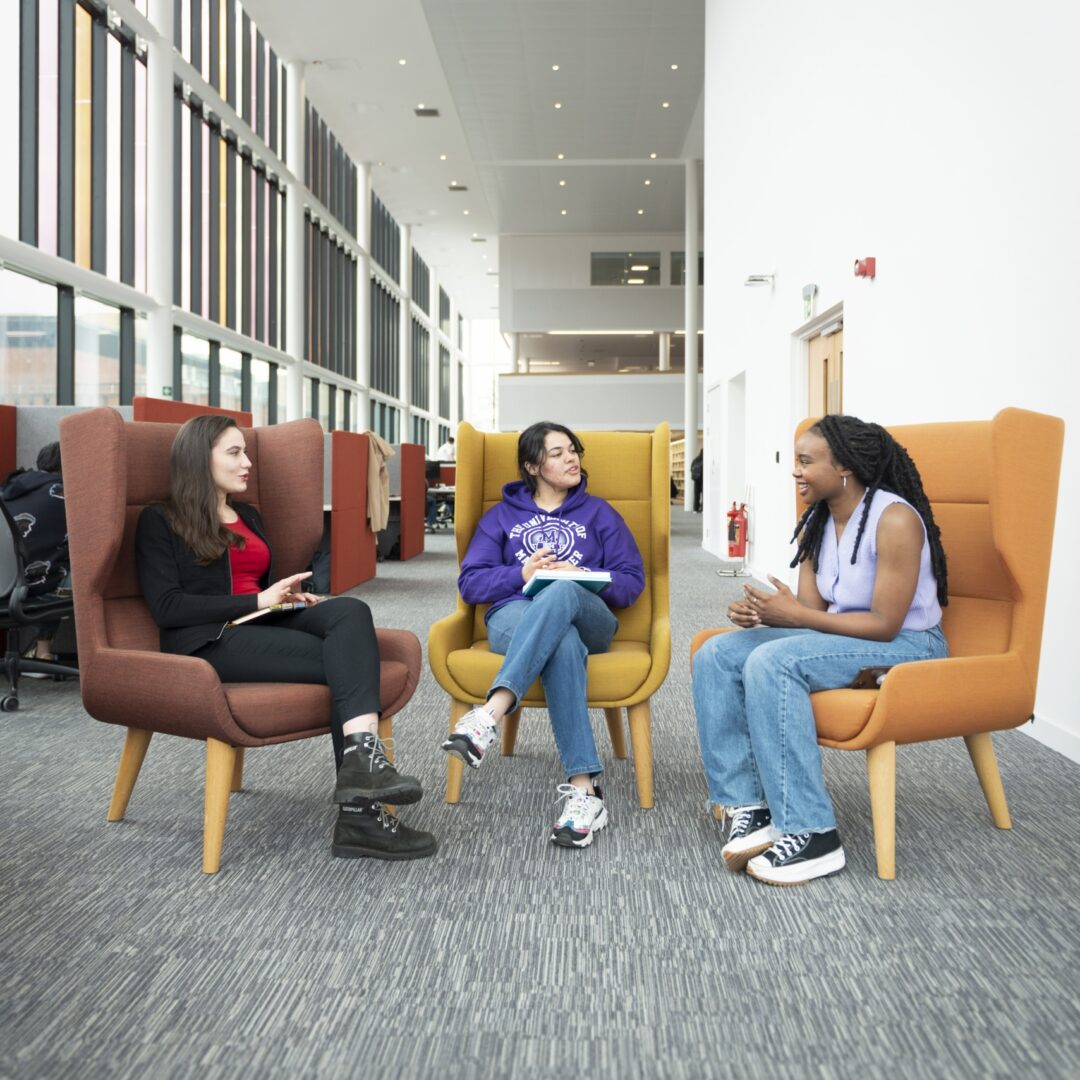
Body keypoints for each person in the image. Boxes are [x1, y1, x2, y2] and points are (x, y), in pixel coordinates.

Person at [134, 415, 435, 861]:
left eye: (246, 451)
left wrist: (288, 599)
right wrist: (257, 599)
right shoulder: (160, 520)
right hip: (211, 641)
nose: (247, 462)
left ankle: (360, 769)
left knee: (350, 611)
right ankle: (360, 815)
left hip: (264, 622)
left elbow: (257, 586)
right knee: (348, 662)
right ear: (199, 458)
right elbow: (168, 608)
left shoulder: (248, 515)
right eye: (234, 453)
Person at [692, 414, 949, 886]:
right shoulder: (816, 521)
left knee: (774, 660)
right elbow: (809, 609)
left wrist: (794, 619)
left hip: (908, 644)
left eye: (806, 461)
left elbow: (885, 624)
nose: (796, 471)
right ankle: (750, 803)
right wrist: (766, 616)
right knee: (719, 653)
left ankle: (813, 832)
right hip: (844, 638)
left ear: (845, 467)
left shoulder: (894, 519)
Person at [441, 421, 645, 849]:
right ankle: (585, 793)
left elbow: (631, 583)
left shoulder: (600, 514)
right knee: (562, 643)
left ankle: (489, 714)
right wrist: (523, 573)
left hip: (591, 617)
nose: (572, 459)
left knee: (564, 590)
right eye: (557, 453)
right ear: (532, 465)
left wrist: (583, 575)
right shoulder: (500, 516)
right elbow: (471, 584)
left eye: (573, 450)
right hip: (515, 616)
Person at [1, 442, 71, 668]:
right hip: (30, 587)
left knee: (53, 558)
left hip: (4, 585)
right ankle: (43, 653)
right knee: (86, 568)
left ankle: (41, 653)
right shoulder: (66, 496)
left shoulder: (9, 489)